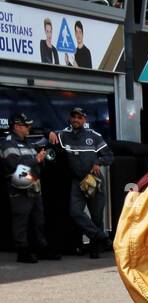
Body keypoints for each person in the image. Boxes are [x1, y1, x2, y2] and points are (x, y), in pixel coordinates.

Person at [48, 106, 113, 256]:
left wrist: (98, 161)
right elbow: (44, 136)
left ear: (85, 119)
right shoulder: (63, 135)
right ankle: (100, 236)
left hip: (93, 179)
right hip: (77, 182)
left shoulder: (94, 136)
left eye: (79, 117)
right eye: (74, 117)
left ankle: (95, 248)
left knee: (96, 215)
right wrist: (49, 132)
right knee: (75, 212)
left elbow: (109, 156)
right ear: (70, 118)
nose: (76, 120)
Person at [1, 113, 61, 263]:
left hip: (34, 184)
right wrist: (35, 159)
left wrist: (41, 159)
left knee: (38, 219)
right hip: (18, 185)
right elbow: (13, 165)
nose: (29, 128)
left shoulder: (27, 142)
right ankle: (22, 251)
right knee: (21, 220)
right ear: (16, 126)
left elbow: (35, 161)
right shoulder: (8, 143)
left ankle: (42, 248)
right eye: (26, 125)